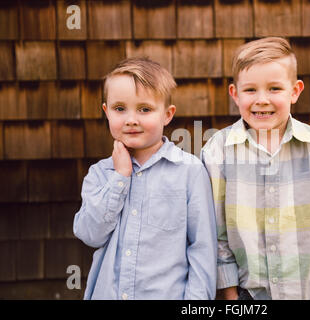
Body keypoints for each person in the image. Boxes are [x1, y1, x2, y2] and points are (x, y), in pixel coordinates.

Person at [201, 37, 310, 300]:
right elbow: (216, 230)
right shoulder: (218, 151)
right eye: (250, 90)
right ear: (235, 94)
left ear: (294, 91)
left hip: (304, 292)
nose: (262, 100)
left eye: (274, 89)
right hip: (245, 294)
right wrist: (229, 294)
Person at [74, 57, 217, 300]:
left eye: (145, 109)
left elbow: (203, 250)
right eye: (120, 108)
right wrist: (120, 178)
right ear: (106, 111)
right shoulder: (100, 174)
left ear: (167, 115)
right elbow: (90, 234)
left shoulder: (189, 172)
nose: (131, 119)